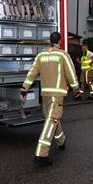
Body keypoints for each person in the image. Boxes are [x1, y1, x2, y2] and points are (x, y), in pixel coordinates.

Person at [21, 32, 79, 166]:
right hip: (57, 94)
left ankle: (61, 140)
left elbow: (32, 73)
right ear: (60, 41)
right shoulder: (63, 55)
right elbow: (70, 73)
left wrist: (24, 89)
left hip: (45, 94)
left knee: (52, 119)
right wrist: (76, 89)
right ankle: (41, 155)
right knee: (52, 121)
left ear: (50, 41)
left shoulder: (41, 56)